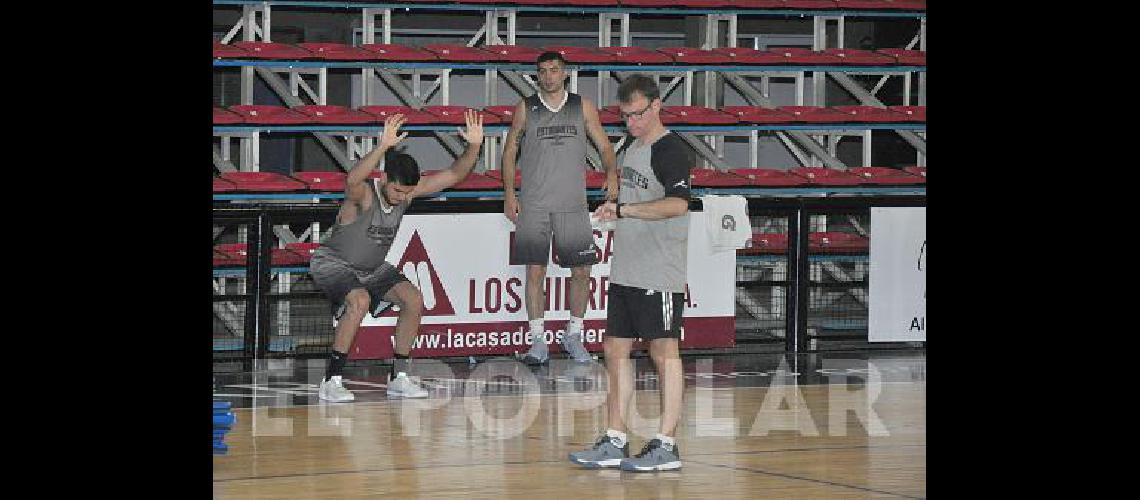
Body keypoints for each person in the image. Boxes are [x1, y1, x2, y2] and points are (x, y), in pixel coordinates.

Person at [312, 110, 484, 402]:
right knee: (360, 301)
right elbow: (352, 179)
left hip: (370, 267)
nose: (402, 197)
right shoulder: (365, 195)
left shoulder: (406, 193)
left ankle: (399, 377)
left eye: (407, 192)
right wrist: (382, 147)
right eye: (397, 190)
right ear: (383, 178)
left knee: (413, 299)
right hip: (332, 262)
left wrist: (474, 146)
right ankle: (332, 380)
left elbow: (455, 174)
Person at [569, 75, 693, 471]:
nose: (632, 123)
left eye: (638, 115)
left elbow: (677, 204)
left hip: (659, 271)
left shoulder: (671, 149)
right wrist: (613, 208)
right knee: (615, 349)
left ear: (656, 105)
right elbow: (634, 200)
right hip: (626, 268)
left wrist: (625, 211)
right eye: (625, 117)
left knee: (663, 351)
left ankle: (667, 443)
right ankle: (615, 437)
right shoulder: (634, 148)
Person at [501, 51, 619, 365]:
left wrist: (610, 173)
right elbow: (510, 150)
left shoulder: (583, 106)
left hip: (573, 204)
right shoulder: (526, 108)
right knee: (535, 272)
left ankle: (574, 335)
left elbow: (605, 145)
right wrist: (509, 193)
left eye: (554, 70)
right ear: (537, 76)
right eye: (543, 71)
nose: (549, 76)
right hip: (535, 204)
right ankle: (537, 341)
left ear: (564, 73)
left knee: (581, 271)